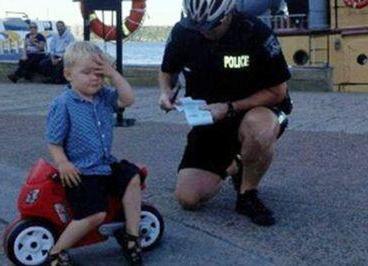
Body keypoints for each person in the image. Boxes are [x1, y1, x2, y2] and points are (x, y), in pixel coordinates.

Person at [158, 0, 293, 226]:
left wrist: (229, 107)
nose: (204, 31)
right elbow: (167, 72)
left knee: (259, 130)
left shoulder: (255, 32)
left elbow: (278, 92)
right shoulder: (183, 32)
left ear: (228, 14)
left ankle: (247, 194)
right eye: (197, 26)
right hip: (210, 117)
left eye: (211, 26)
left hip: (255, 109)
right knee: (188, 198)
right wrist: (165, 93)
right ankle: (237, 163)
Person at [45, 41, 143, 266]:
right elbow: (54, 141)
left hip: (105, 164)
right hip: (81, 170)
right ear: (68, 74)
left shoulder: (104, 96)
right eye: (87, 73)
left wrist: (113, 74)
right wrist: (62, 163)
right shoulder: (63, 104)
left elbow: (128, 99)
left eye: (99, 73)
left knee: (133, 177)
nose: (94, 78)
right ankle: (57, 252)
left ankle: (132, 236)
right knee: (95, 214)